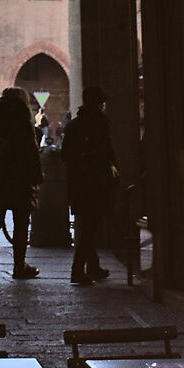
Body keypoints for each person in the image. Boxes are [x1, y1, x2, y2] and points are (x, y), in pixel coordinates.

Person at [0, 89, 43, 281]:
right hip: (19, 181)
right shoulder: (24, 125)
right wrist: (38, 178)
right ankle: (19, 266)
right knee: (21, 224)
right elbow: (32, 155)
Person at [60, 89, 119, 284]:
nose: (104, 106)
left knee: (87, 224)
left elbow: (65, 154)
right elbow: (107, 151)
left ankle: (93, 266)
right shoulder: (100, 123)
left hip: (78, 182)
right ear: (98, 104)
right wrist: (114, 172)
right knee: (90, 227)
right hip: (96, 182)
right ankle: (77, 270)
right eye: (102, 102)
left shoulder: (74, 124)